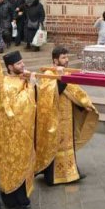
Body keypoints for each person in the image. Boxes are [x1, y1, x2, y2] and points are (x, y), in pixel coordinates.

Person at [34, 47, 98, 186]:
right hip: (54, 118)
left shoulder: (68, 72)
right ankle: (51, 176)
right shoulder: (48, 73)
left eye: (67, 57)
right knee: (54, 144)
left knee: (69, 144)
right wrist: (60, 78)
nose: (67, 60)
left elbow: (75, 92)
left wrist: (84, 104)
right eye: (63, 58)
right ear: (55, 60)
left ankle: (72, 172)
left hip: (68, 117)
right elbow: (47, 95)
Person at [0, 51, 38, 209]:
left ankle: (16, 197)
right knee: (14, 163)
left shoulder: (19, 79)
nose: (23, 65)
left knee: (21, 162)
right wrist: (32, 86)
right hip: (11, 133)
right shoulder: (6, 84)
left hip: (22, 132)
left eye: (23, 62)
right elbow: (19, 107)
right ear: (10, 67)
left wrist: (29, 83)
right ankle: (16, 200)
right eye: (19, 64)